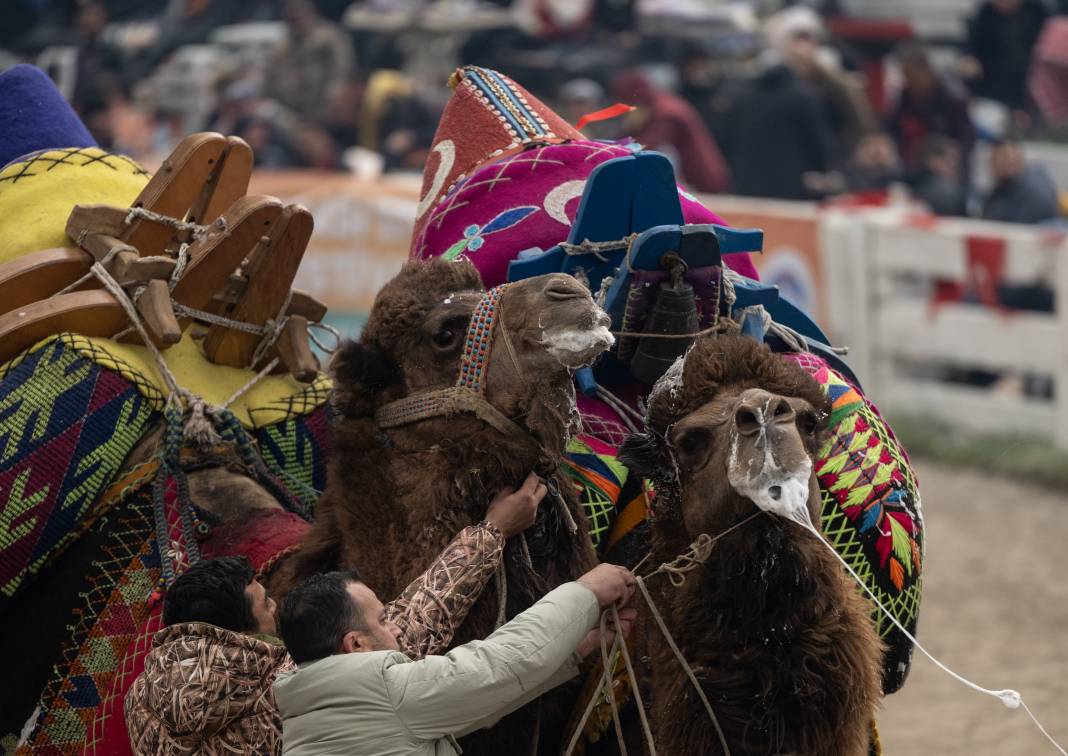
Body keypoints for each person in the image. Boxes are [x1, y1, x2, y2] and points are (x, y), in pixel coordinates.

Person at [124, 475, 546, 755]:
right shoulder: (273, 693)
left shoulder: (140, 703)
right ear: (234, 632)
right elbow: (411, 628)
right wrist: (492, 532)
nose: (275, 605)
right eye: (264, 603)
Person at [274, 562, 637, 755]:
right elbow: (498, 666)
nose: (397, 629)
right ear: (355, 645)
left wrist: (578, 647)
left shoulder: (308, 720)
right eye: (384, 620)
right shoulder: (385, 692)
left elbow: (481, 700)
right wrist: (586, 592)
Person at [613, 69, 730, 194]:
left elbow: (643, 149)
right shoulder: (662, 103)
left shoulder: (666, 112)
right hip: (700, 179)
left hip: (703, 181)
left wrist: (628, 131)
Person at [887, 44, 976, 173]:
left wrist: (951, 159)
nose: (908, 81)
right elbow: (894, 127)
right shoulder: (906, 96)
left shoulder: (953, 98)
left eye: (911, 75)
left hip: (945, 166)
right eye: (905, 76)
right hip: (910, 163)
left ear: (926, 71)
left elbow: (967, 138)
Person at [266, 0, 357, 123]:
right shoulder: (283, 45)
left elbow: (343, 66)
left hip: (324, 100)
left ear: (310, 14)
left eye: (298, 16)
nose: (296, 22)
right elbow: (271, 74)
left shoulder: (328, 37)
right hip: (293, 106)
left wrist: (335, 91)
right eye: (292, 18)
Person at [961, 0, 1050, 117]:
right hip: (994, 76)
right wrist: (969, 59)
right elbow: (972, 45)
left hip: (1031, 75)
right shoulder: (986, 13)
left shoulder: (1037, 11)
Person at [982, 138, 1061, 224]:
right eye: (994, 159)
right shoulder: (1000, 189)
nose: (999, 163)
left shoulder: (1035, 192)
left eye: (1005, 157)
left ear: (1018, 158)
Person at [909, 135, 970, 217]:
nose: (954, 165)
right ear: (932, 160)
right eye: (950, 158)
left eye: (957, 160)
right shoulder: (947, 191)